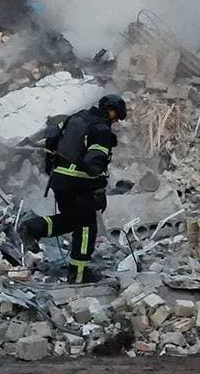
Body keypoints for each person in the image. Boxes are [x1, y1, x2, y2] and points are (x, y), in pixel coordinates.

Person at [21, 93, 126, 283]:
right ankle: (78, 275)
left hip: (59, 179)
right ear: (110, 111)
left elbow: (51, 136)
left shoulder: (77, 117)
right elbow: (94, 164)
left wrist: (50, 162)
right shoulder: (101, 130)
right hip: (78, 182)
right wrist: (99, 190)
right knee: (86, 227)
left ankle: (34, 227)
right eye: (116, 116)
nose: (116, 120)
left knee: (72, 220)